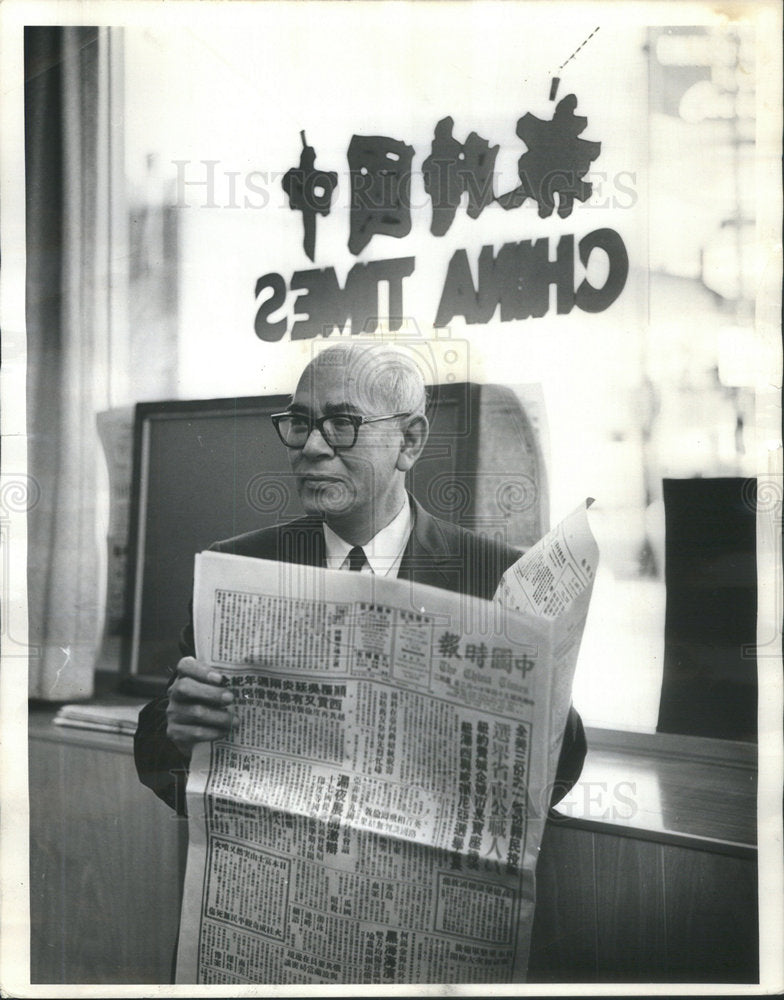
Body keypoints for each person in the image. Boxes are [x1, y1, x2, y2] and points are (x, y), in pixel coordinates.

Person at [134, 342, 586, 814]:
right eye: (301, 423)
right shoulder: (238, 566)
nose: (311, 447)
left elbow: (558, 775)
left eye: (342, 425)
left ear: (409, 442)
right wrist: (180, 728)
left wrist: (543, 689)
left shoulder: (496, 575)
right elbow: (154, 756)